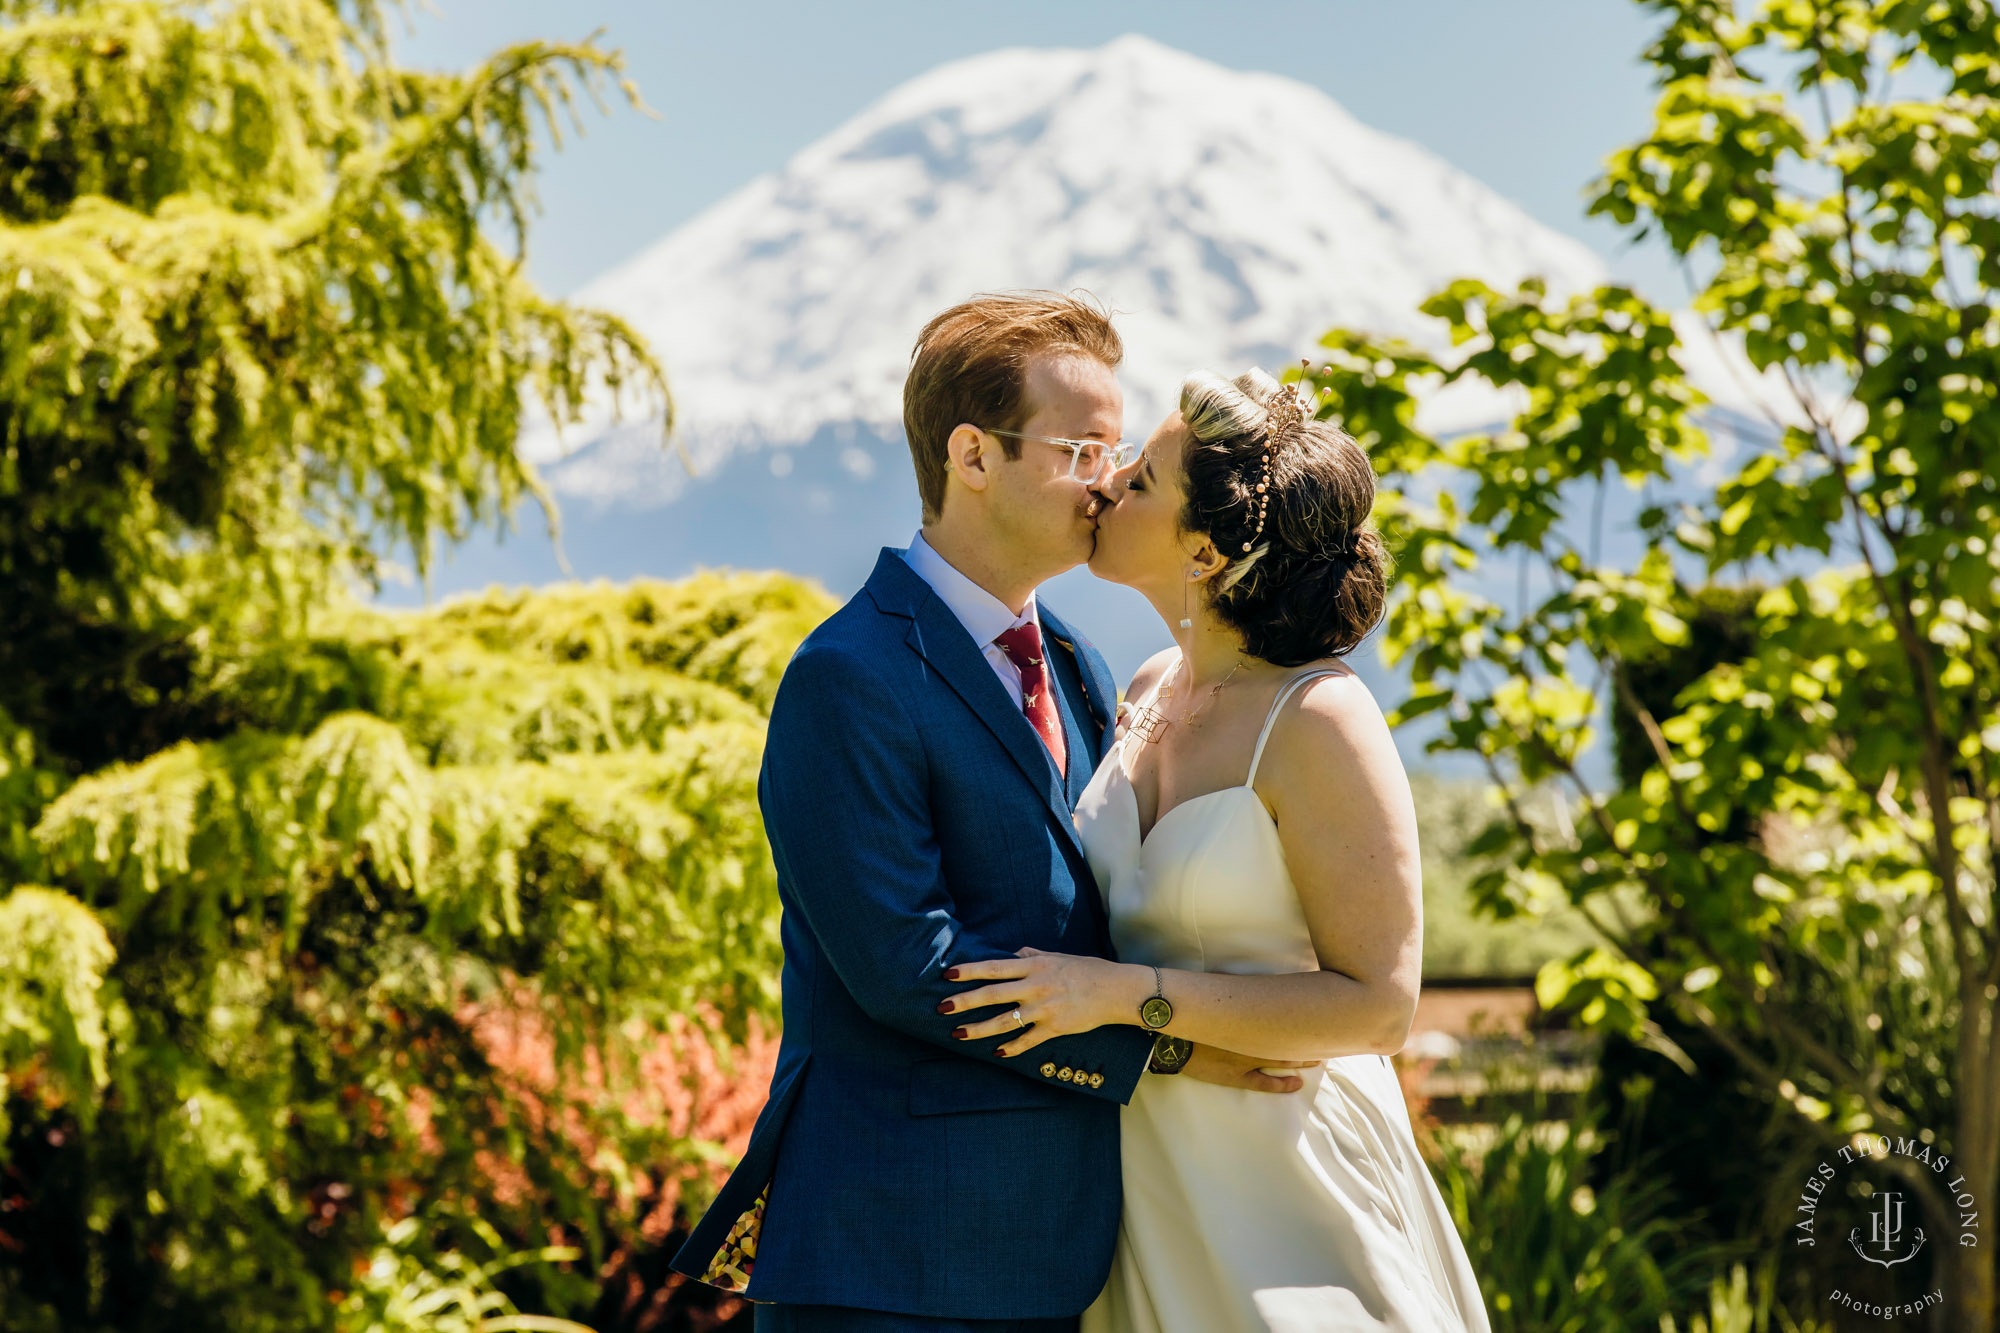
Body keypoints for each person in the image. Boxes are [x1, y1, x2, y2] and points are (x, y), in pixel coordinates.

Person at [671, 296, 1308, 1333]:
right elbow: (905, 968)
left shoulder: (1080, 668)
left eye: (1116, 448)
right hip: (888, 1260)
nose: (1108, 477)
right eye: (1082, 447)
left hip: (1062, 1254)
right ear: (972, 455)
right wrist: (1167, 1046)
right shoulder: (848, 675)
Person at [942, 368, 1492, 1332]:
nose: (1106, 485)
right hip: (1146, 1180)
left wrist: (1125, 998)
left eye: (1142, 478)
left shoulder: (1320, 718)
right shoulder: (1141, 689)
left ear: (1201, 549)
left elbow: (1380, 1005)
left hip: (1286, 1173)